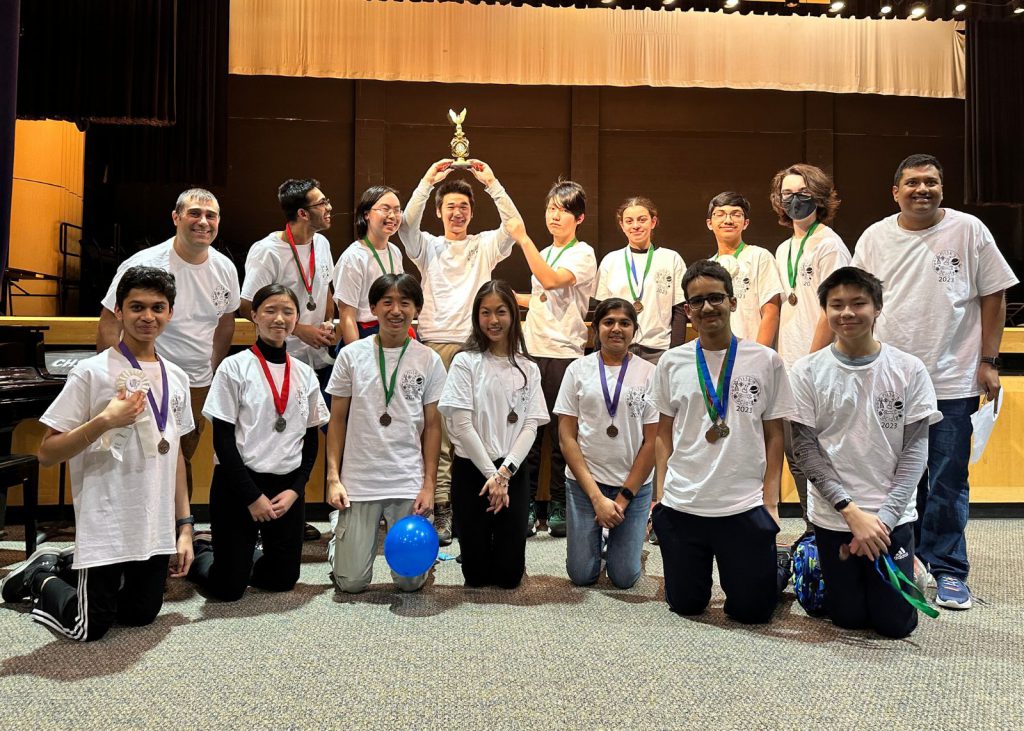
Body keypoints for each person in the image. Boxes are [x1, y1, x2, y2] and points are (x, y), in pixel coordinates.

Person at [851, 153, 1018, 610]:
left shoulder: (969, 231)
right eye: (912, 183)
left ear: (942, 188)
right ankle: (903, 559)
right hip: (890, 379)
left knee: (946, 479)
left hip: (952, 378)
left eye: (931, 182)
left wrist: (987, 360)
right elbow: (856, 300)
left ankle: (946, 567)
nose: (921, 190)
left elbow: (994, 294)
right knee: (891, 478)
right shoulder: (875, 237)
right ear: (895, 192)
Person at [2, 267, 195, 641]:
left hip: (152, 525)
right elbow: (47, 452)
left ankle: (68, 567)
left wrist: (184, 527)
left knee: (141, 616)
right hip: (106, 520)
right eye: (136, 306)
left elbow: (175, 458)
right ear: (119, 311)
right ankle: (41, 575)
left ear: (171, 313)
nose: (148, 317)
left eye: (158, 307)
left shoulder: (178, 377)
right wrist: (104, 421)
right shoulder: (91, 372)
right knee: (88, 627)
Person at [789, 267, 940, 638]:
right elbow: (805, 450)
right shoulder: (807, 371)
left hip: (891, 518)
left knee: (895, 625)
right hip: (835, 517)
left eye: (859, 303)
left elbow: (916, 452)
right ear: (824, 310)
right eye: (836, 304)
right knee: (848, 618)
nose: (847, 313)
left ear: (877, 308)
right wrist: (851, 513)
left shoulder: (908, 369)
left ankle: (913, 567)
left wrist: (883, 521)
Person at [651, 260, 796, 624]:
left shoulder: (765, 361)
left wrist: (770, 501)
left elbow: (774, 434)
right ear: (687, 310)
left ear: (732, 302)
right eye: (697, 301)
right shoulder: (671, 362)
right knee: (686, 605)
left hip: (743, 505)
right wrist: (660, 497)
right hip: (685, 503)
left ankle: (775, 566)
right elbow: (662, 435)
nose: (707, 308)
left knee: (752, 612)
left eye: (715, 297)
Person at [398, 159, 522, 546]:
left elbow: (514, 227)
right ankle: (436, 504)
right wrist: (426, 180)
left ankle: (462, 505)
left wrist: (492, 183)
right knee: (434, 431)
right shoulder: (428, 247)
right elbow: (405, 225)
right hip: (432, 346)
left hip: (474, 347)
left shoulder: (484, 245)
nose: (457, 212)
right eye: (450, 206)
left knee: (471, 429)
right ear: (439, 211)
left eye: (464, 207)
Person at [187, 284, 330, 601]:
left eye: (288, 312)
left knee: (281, 580)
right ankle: (202, 551)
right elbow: (222, 441)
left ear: (295, 319)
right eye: (270, 310)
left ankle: (238, 557)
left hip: (285, 489)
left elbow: (310, 442)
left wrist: (295, 490)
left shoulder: (305, 374)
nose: (279, 318)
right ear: (254, 315)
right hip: (238, 486)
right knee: (228, 589)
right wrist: (253, 497)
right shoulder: (234, 367)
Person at [97, 188, 240, 498]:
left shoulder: (225, 268)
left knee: (179, 457)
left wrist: (212, 369)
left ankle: (177, 532)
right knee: (139, 458)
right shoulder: (146, 263)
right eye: (194, 214)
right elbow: (110, 319)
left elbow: (226, 322)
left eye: (211, 216)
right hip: (144, 380)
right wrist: (116, 375)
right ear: (176, 218)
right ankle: (143, 531)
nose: (203, 222)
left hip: (196, 384)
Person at [324, 273, 447, 593]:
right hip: (359, 481)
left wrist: (429, 485)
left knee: (411, 582)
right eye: (387, 302)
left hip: (406, 480)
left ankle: (422, 557)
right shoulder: (351, 356)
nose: (396, 310)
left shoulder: (429, 360)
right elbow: (336, 421)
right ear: (373, 308)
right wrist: (333, 477)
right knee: (351, 584)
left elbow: (433, 427)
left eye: (405, 303)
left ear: (416, 309)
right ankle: (339, 541)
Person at [438, 281, 548, 588]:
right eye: (485, 312)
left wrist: (504, 474)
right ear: (476, 317)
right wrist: (492, 476)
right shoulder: (465, 361)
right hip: (473, 471)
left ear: (513, 315)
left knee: (508, 577)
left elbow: (530, 426)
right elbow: (461, 425)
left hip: (511, 471)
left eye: (501, 311)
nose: (493, 320)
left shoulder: (528, 366)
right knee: (476, 576)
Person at [509, 181, 598, 539]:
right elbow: (542, 297)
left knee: (564, 438)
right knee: (529, 433)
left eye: (562, 210)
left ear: (579, 217)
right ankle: (529, 505)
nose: (554, 215)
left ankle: (560, 505)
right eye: (550, 209)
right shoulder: (545, 250)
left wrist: (522, 238)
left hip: (565, 354)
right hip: (533, 350)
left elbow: (551, 281)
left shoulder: (584, 253)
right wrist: (509, 296)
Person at [768, 164, 852, 533]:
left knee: (817, 454)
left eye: (802, 193)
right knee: (796, 455)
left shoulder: (829, 244)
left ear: (818, 196)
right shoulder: (784, 247)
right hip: (788, 367)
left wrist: (809, 362)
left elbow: (830, 310)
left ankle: (828, 527)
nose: (794, 200)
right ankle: (813, 528)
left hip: (816, 367)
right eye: (787, 194)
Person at [555, 298, 659, 589]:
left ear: (634, 331)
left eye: (625, 323)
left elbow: (652, 442)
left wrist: (623, 498)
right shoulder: (577, 370)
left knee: (624, 578)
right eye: (608, 322)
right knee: (582, 576)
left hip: (633, 488)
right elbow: (566, 437)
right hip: (585, 485)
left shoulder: (649, 374)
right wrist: (597, 499)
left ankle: (635, 529)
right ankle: (603, 536)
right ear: (596, 329)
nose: (616, 329)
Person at [241, 178, 336, 387]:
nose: (329, 207)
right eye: (321, 203)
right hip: (280, 356)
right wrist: (299, 329)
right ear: (302, 213)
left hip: (319, 357)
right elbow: (247, 306)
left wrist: (329, 321)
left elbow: (325, 290)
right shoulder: (267, 251)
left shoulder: (322, 244)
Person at [595, 196, 687, 365]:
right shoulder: (611, 260)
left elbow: (680, 310)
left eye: (642, 220)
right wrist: (599, 351)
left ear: (653, 222)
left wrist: (675, 353)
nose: (635, 225)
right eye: (629, 221)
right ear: (622, 226)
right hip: (618, 349)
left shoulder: (671, 258)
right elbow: (602, 312)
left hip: (659, 350)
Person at [705, 192, 782, 348]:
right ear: (709, 223)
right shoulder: (707, 267)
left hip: (751, 351)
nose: (728, 220)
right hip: (716, 352)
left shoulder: (760, 256)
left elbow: (771, 312)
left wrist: (759, 354)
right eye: (720, 214)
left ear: (745, 223)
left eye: (736, 214)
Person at [333, 185, 407, 346]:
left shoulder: (394, 251)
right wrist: (357, 356)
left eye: (397, 210)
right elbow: (347, 315)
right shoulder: (353, 257)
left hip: (394, 330)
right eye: (385, 209)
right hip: (364, 335)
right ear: (366, 214)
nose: (392, 216)